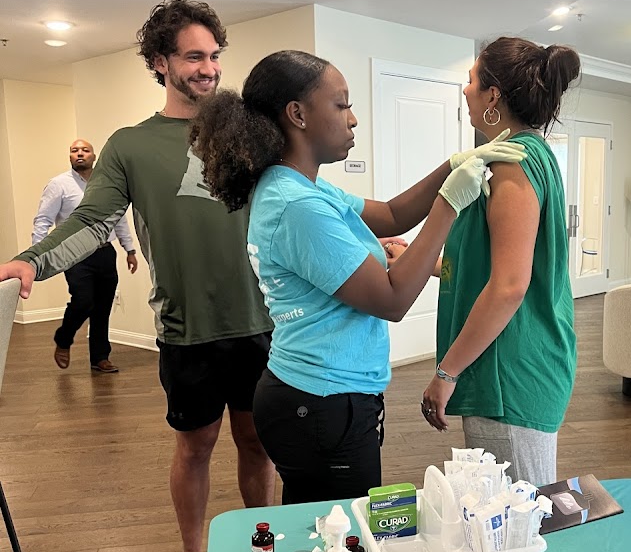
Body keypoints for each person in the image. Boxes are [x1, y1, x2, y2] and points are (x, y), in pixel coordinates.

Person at [0, 0, 275, 552]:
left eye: (214, 56)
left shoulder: (247, 134)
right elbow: (93, 221)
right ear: (160, 62)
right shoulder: (130, 145)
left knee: (256, 442)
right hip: (186, 328)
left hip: (260, 322)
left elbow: (302, 203)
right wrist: (32, 260)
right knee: (196, 445)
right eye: (194, 56)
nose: (209, 68)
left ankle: (264, 548)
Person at [189, 49, 526, 504]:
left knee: (319, 523)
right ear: (297, 114)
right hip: (321, 403)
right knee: (341, 531)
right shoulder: (298, 205)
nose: (353, 119)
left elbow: (390, 214)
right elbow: (392, 300)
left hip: (316, 395)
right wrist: (449, 204)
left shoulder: (300, 185)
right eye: (341, 105)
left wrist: (453, 164)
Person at [421, 37, 581, 486]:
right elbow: (494, 266)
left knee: (516, 515)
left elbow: (509, 286)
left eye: (471, 80)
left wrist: (446, 372)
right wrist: (426, 263)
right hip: (516, 363)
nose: (464, 90)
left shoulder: (512, 165)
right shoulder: (529, 154)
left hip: (508, 373)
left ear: (493, 96)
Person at [33, 138, 138, 373]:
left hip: (105, 252)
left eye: (85, 150)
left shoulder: (107, 185)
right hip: (74, 254)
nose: (80, 153)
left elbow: (119, 217)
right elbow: (43, 220)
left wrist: (129, 249)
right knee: (83, 301)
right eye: (74, 150)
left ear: (94, 156)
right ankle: (63, 338)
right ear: (70, 156)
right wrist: (37, 255)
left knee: (103, 306)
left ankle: (100, 357)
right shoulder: (59, 185)